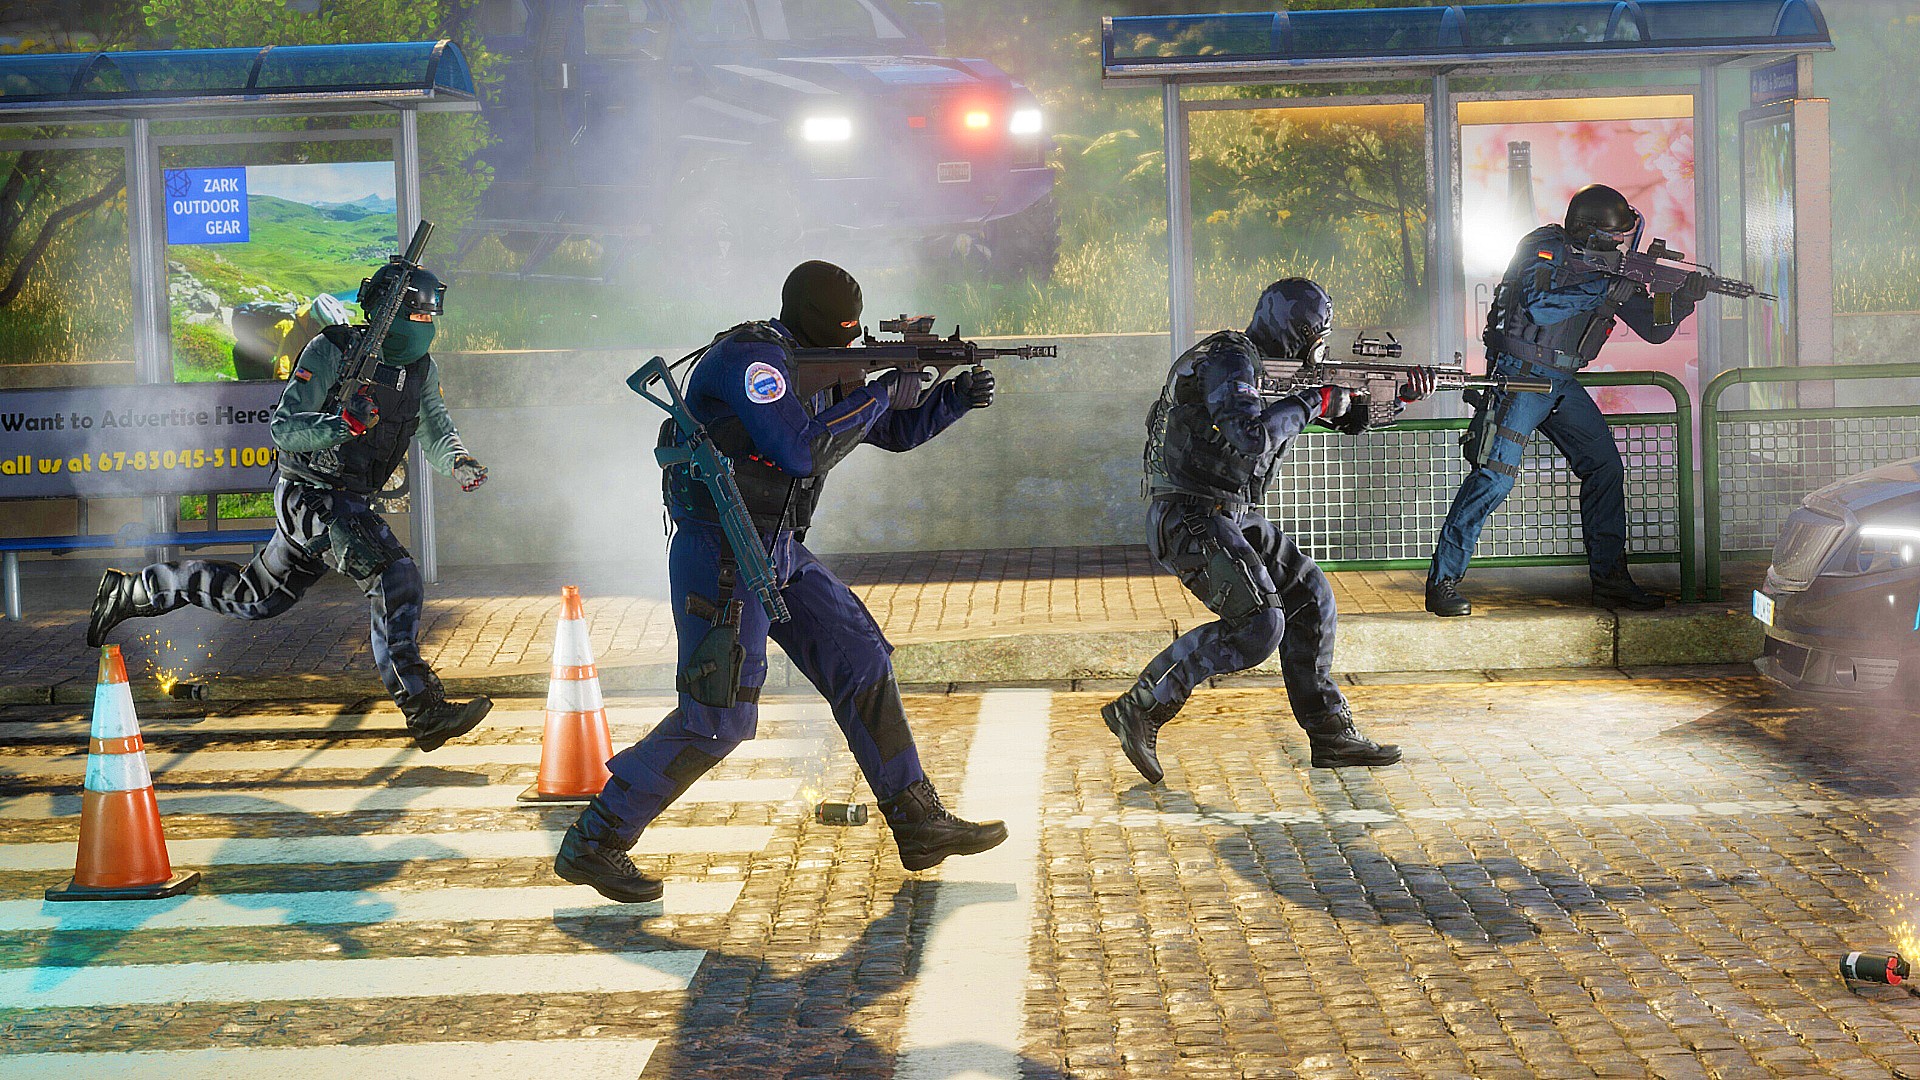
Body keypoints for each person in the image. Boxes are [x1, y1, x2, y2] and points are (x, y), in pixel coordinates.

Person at [554, 260, 1006, 903]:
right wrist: (881, 390)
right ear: (819, 322)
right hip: (725, 552)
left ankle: (917, 822)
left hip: (778, 548)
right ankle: (595, 839)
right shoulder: (753, 360)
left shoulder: (822, 364)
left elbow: (888, 432)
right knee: (719, 717)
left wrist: (950, 400)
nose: (853, 341)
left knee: (861, 657)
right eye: (845, 330)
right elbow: (801, 451)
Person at [86, 258, 493, 749]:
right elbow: (284, 429)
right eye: (418, 315)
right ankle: (423, 709)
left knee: (255, 597)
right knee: (394, 576)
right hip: (310, 494)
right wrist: (341, 425)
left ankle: (135, 591)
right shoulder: (332, 350)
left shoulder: (419, 369)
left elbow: (435, 426)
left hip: (349, 500)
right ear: (390, 311)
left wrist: (458, 460)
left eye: (431, 317)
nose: (426, 325)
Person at [1100, 278, 1435, 785]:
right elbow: (1251, 435)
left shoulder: (1266, 368)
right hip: (1188, 514)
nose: (1319, 346)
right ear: (1295, 332)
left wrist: (1394, 395)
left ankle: (1329, 733)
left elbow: (1340, 416)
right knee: (1259, 625)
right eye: (1315, 335)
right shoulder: (1230, 360)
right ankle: (1141, 706)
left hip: (1232, 513)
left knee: (1310, 597)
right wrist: (1315, 401)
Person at [1425, 184, 1711, 617]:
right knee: (1494, 478)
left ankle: (1610, 582)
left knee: (1605, 467)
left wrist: (1683, 299)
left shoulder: (1612, 271)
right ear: (1588, 231)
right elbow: (1539, 306)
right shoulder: (1544, 246)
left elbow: (1656, 330)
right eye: (1614, 237)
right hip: (1522, 377)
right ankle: (1442, 581)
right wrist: (1605, 289)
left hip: (1560, 382)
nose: (1620, 244)